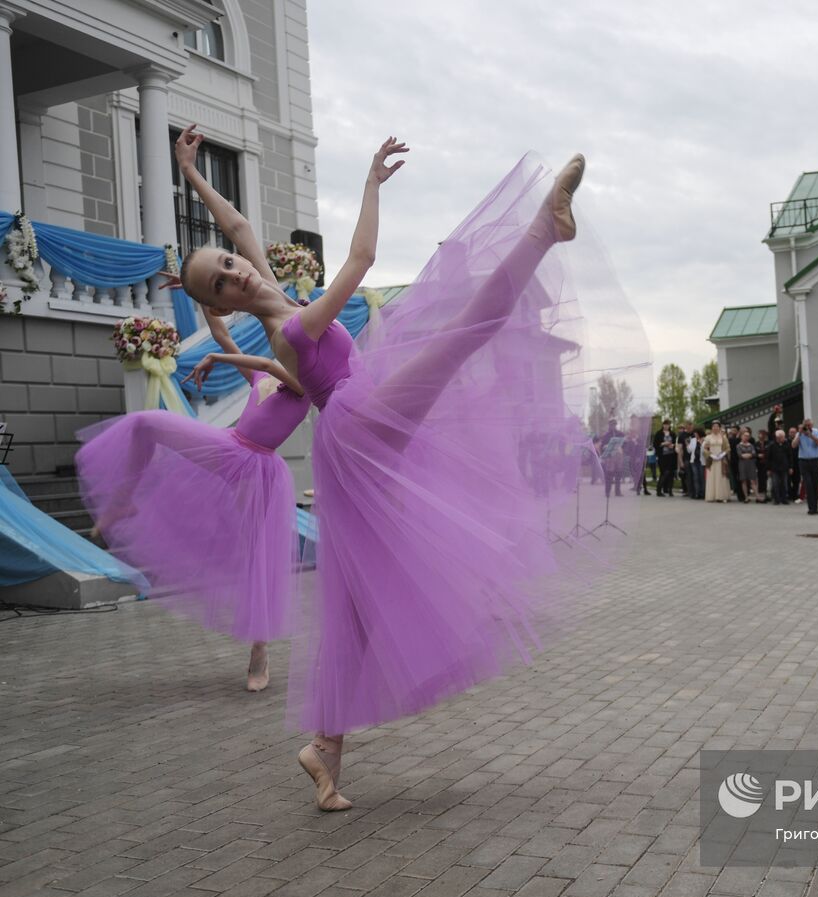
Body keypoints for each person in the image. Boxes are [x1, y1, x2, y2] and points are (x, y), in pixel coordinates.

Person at [174, 125, 638, 812]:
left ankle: (324, 747)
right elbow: (361, 259)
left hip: (355, 425)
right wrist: (369, 181)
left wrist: (192, 174)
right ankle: (544, 227)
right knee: (462, 333)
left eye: (230, 261)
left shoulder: (274, 299)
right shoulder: (292, 329)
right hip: (359, 422)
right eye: (223, 279)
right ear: (221, 306)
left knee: (359, 599)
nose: (236, 269)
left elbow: (240, 223)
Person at [77, 304, 308, 693]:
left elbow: (266, 366)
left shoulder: (303, 388)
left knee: (257, 558)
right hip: (228, 448)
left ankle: (259, 651)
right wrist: (197, 292)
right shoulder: (262, 377)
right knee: (146, 423)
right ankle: (124, 499)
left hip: (259, 471)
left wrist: (220, 356)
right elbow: (221, 333)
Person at [796, 419, 818, 515]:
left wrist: (810, 435)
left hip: (815, 461)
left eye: (809, 425)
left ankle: (815, 507)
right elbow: (793, 445)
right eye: (806, 425)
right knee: (808, 484)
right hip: (803, 461)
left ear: (812, 425)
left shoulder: (816, 432)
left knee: (815, 485)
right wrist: (799, 433)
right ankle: (811, 508)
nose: (807, 427)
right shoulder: (800, 433)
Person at [702, 421, 730, 503]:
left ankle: (722, 496)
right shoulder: (708, 437)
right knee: (712, 476)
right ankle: (712, 495)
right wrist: (711, 455)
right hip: (712, 460)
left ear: (719, 427)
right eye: (714, 426)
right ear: (711, 428)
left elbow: (728, 448)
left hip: (721, 459)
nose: (715, 428)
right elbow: (704, 449)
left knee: (722, 476)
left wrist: (722, 454)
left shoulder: (723, 437)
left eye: (717, 426)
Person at [652, 419, 677, 497]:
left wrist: (673, 445)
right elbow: (655, 444)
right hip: (662, 456)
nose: (666, 426)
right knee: (664, 473)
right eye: (665, 424)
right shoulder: (658, 433)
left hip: (671, 456)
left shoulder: (672, 433)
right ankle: (659, 490)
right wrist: (663, 443)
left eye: (668, 424)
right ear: (663, 425)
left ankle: (670, 490)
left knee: (671, 473)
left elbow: (676, 443)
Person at [766, 429, 791, 505]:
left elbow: (790, 456)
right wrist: (768, 469)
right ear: (777, 437)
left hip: (784, 467)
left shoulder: (787, 444)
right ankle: (776, 499)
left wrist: (791, 467)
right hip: (774, 468)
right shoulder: (772, 445)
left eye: (783, 437)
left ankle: (784, 498)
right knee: (775, 484)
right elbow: (768, 458)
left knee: (784, 484)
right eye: (781, 437)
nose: (783, 438)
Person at [735, 429, 759, 503]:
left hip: (751, 464)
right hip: (742, 464)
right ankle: (746, 497)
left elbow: (754, 453)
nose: (746, 437)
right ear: (741, 436)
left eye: (748, 436)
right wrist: (748, 455)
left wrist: (747, 455)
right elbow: (740, 455)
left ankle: (757, 497)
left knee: (753, 480)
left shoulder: (751, 445)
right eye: (745, 436)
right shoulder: (738, 445)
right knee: (744, 480)